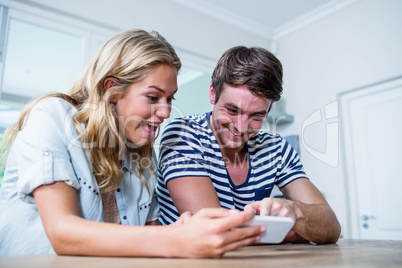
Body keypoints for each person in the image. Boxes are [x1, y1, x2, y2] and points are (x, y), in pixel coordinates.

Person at [0, 30, 265, 257]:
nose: (165, 112)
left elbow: (147, 236)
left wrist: (178, 231)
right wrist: (175, 240)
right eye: (153, 97)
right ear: (112, 90)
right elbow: (62, 232)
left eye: (170, 98)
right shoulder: (52, 116)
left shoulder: (140, 156)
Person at [157, 46, 341, 244]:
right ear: (212, 93)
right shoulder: (183, 134)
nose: (241, 127)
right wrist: (290, 232)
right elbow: (215, 231)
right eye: (232, 110)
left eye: (256, 116)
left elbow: (331, 228)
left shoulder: (276, 148)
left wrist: (294, 211)